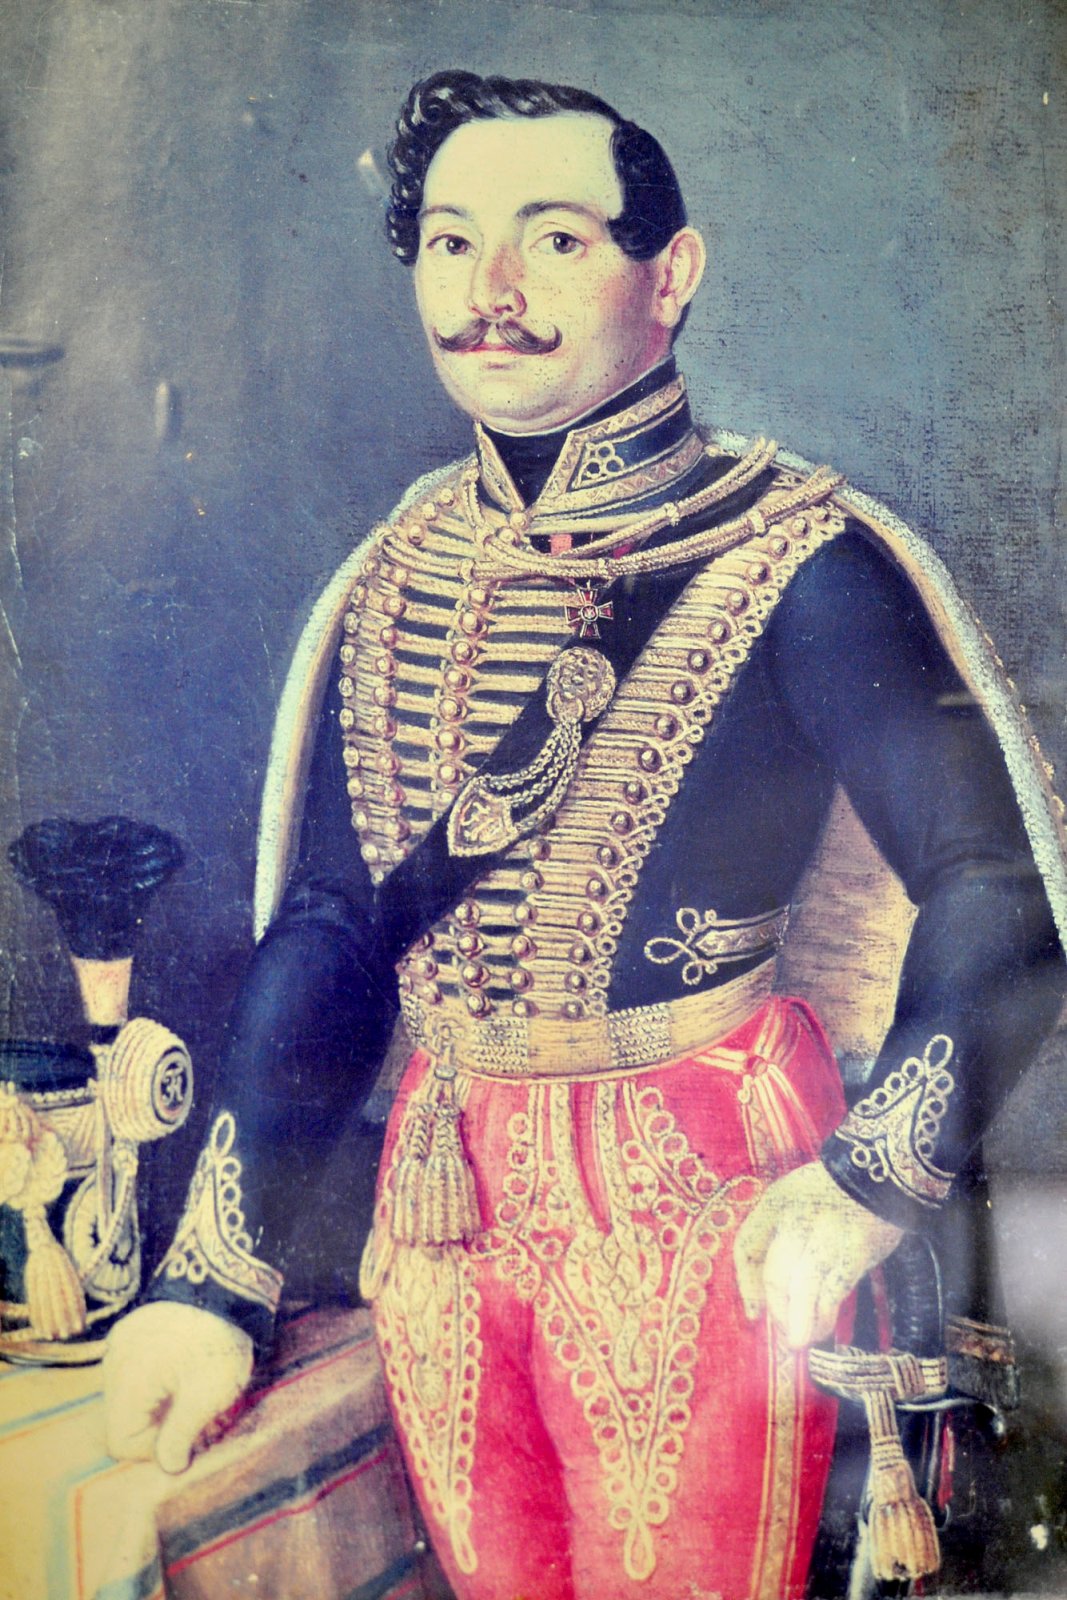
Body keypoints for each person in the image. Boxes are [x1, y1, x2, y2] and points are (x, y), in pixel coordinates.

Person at [104, 71, 1067, 1600]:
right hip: (442, 1194)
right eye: (449, 242)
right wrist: (213, 1278)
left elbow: (994, 885)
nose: (489, 292)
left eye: (554, 241)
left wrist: (869, 1175)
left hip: (709, 1194)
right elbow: (336, 928)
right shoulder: (393, 570)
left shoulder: (800, 559)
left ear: (671, 274)